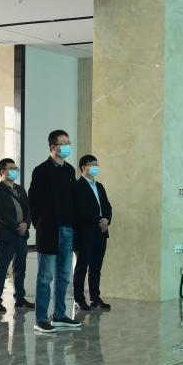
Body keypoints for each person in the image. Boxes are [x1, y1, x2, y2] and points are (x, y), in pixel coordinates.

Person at [28, 130, 81, 333]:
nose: (67, 146)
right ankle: (41, 318)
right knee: (45, 276)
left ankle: (59, 315)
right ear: (53, 147)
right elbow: (33, 201)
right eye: (63, 143)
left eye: (68, 142)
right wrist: (39, 224)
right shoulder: (41, 170)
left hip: (67, 230)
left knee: (64, 275)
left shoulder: (69, 170)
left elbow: (73, 200)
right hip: (49, 230)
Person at [0, 158, 33, 313]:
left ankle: (19, 298)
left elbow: (28, 210)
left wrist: (26, 224)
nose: (15, 171)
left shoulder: (20, 189)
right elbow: (0, 214)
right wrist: (17, 226)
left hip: (21, 235)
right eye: (11, 168)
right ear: (3, 172)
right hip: (5, 235)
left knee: (20, 268)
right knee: (1, 268)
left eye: (15, 168)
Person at [72, 154, 113, 311]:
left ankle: (95, 298)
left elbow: (107, 206)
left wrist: (107, 219)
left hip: (101, 232)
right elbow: (82, 209)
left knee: (96, 267)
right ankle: (79, 299)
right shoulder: (77, 186)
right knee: (82, 266)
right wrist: (99, 221)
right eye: (92, 164)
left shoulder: (99, 186)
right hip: (85, 233)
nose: (96, 167)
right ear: (84, 167)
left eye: (96, 164)